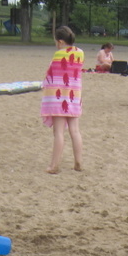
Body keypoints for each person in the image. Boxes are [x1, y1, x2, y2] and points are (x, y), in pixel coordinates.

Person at [41, 25, 84, 173]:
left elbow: (49, 75)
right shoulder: (80, 53)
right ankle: (78, 162)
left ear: (60, 41)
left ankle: (54, 165)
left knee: (58, 132)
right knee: (75, 131)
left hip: (58, 99)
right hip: (74, 96)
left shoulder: (58, 56)